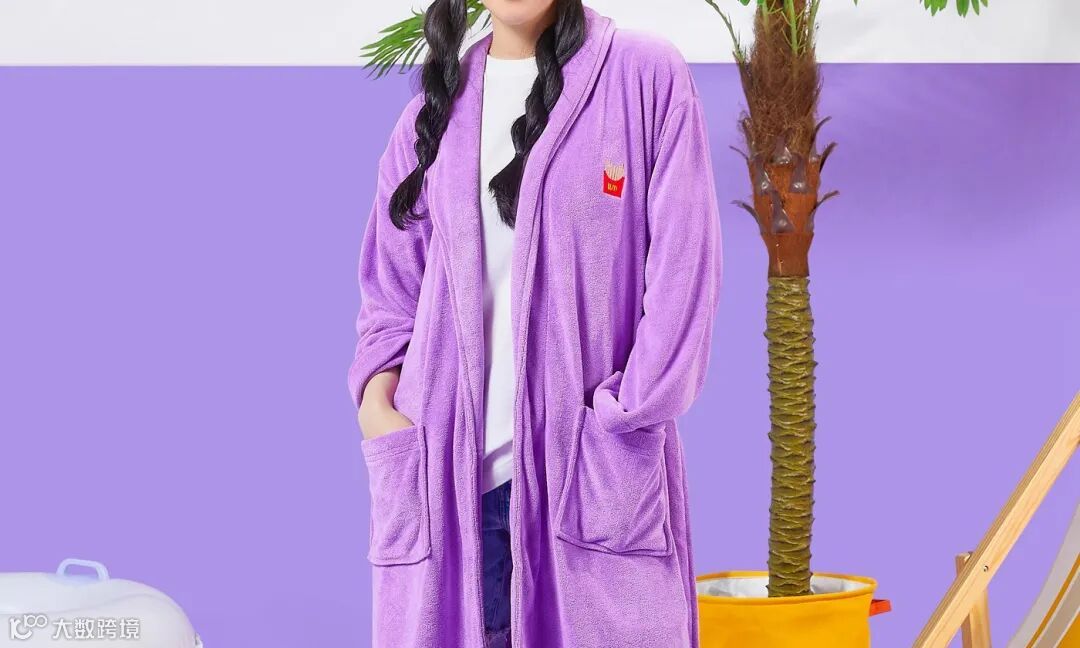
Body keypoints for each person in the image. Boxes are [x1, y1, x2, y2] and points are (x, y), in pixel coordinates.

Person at [348, 1, 723, 646]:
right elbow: (390, 295)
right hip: (449, 488)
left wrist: (624, 417)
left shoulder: (641, 76)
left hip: (587, 476)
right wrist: (378, 409)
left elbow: (684, 275)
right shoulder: (430, 115)